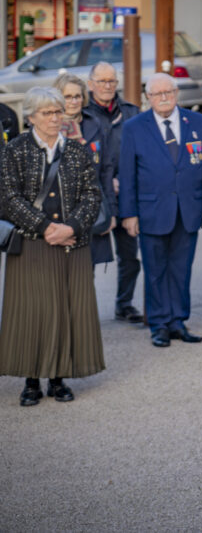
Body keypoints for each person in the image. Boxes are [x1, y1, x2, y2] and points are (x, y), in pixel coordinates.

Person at [0, 87, 104, 406]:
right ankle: (31, 381)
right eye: (47, 112)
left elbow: (92, 195)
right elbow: (8, 198)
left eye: (59, 111)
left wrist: (70, 227)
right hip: (32, 244)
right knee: (32, 312)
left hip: (72, 244)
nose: (55, 118)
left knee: (67, 310)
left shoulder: (77, 151)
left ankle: (58, 380)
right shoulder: (14, 150)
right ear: (31, 117)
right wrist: (46, 228)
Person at [118, 75, 202, 348]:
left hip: (188, 209)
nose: (163, 97)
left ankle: (178, 321)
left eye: (168, 91)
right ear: (147, 98)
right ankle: (159, 324)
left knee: (182, 269)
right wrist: (128, 214)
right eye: (157, 93)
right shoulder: (134, 127)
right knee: (155, 270)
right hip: (151, 211)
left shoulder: (196, 123)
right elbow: (127, 176)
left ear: (176, 93)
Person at [84, 61, 143, 323]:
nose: (107, 86)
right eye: (101, 81)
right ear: (90, 84)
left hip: (126, 196)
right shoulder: (81, 114)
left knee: (130, 257)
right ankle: (84, 310)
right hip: (94, 200)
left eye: (112, 81)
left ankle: (124, 304)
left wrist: (123, 180)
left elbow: (143, 155)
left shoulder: (131, 113)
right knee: (89, 260)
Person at [55, 73, 116, 266]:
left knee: (86, 276)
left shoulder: (93, 124)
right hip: (58, 214)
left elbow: (106, 171)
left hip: (91, 211)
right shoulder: (48, 126)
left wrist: (111, 213)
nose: (74, 101)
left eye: (78, 96)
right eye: (68, 97)